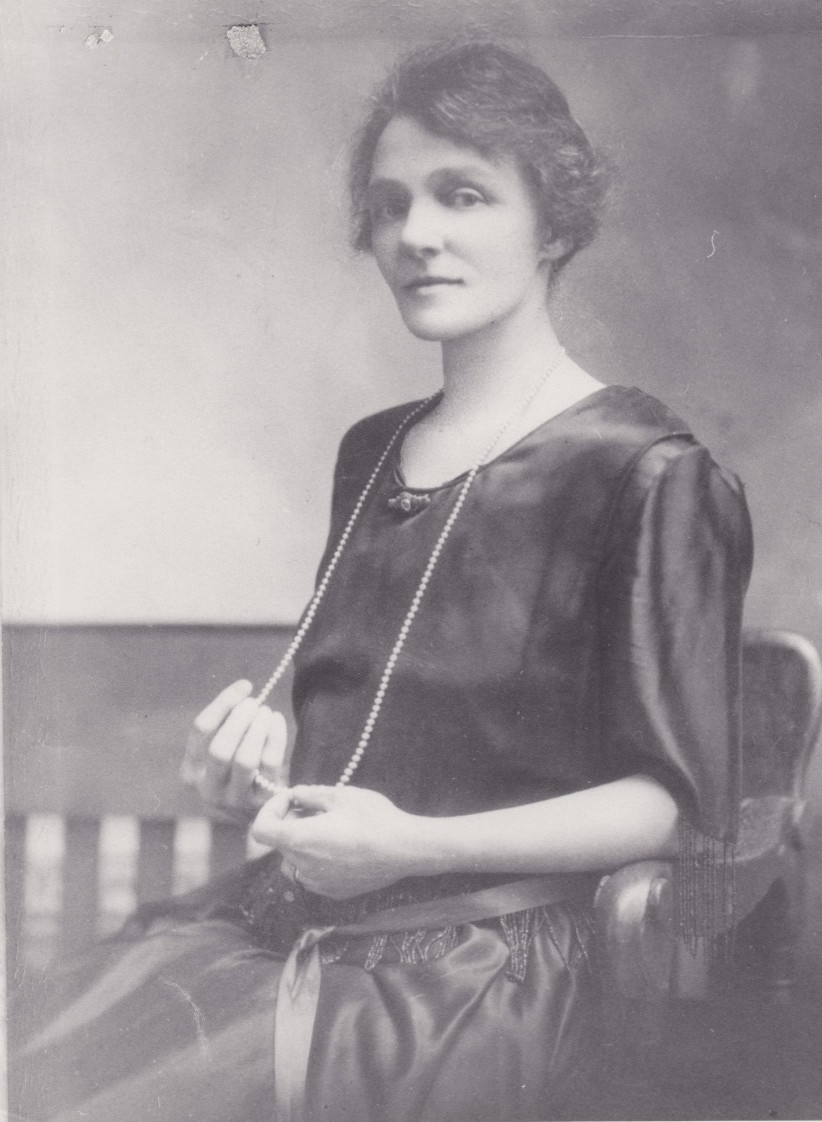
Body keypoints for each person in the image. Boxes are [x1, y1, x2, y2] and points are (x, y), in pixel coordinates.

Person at [13, 38, 752, 1122]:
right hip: (299, 927)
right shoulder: (373, 454)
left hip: (479, 970)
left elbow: (668, 810)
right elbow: (365, 736)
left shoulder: (647, 471)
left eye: (463, 196)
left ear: (553, 221)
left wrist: (413, 848)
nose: (417, 236)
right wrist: (250, 773)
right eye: (391, 203)